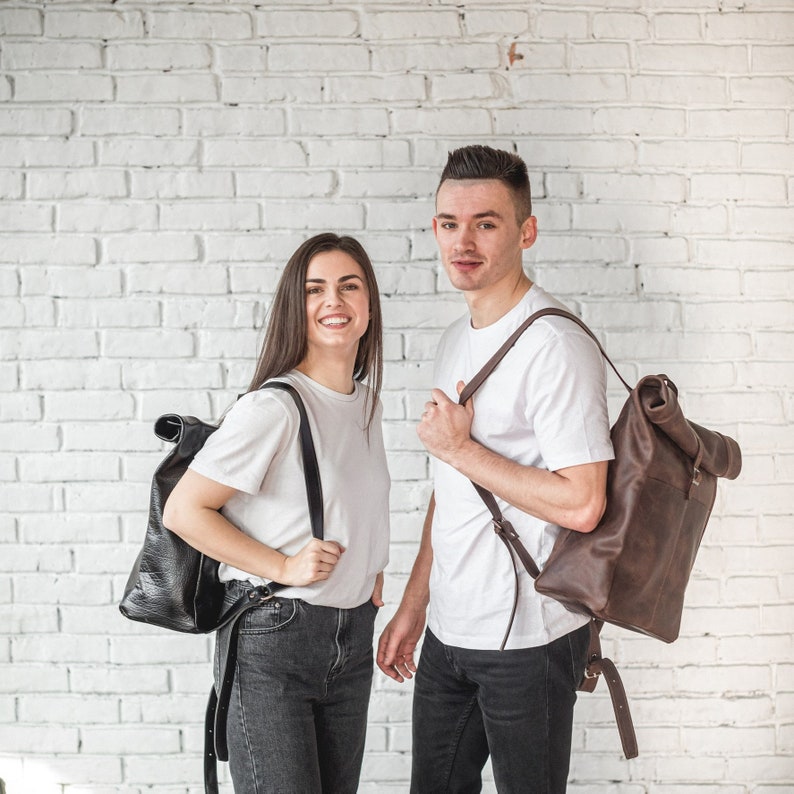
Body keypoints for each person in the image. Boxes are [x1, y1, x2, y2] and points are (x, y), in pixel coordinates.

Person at [376, 146, 614, 793]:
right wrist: (415, 605)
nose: (464, 240)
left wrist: (461, 449)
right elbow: (450, 490)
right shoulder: (456, 338)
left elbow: (583, 502)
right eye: (450, 222)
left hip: (530, 641)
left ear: (525, 231)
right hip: (452, 631)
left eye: (486, 222)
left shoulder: (555, 346)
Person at [164, 233, 390, 794]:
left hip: (352, 636)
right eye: (315, 289)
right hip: (276, 638)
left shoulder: (366, 403)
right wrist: (283, 566)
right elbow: (185, 509)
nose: (333, 301)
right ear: (297, 305)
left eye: (348, 286)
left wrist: (369, 568)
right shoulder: (274, 406)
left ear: (368, 304)